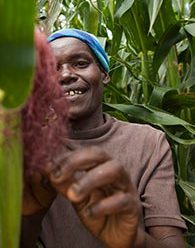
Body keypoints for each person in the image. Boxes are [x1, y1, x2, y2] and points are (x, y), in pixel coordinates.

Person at [21, 28, 186, 248]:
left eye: (80, 63)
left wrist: (134, 240)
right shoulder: (31, 150)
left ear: (104, 74)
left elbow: (171, 242)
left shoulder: (148, 143)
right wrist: (32, 213)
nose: (65, 75)